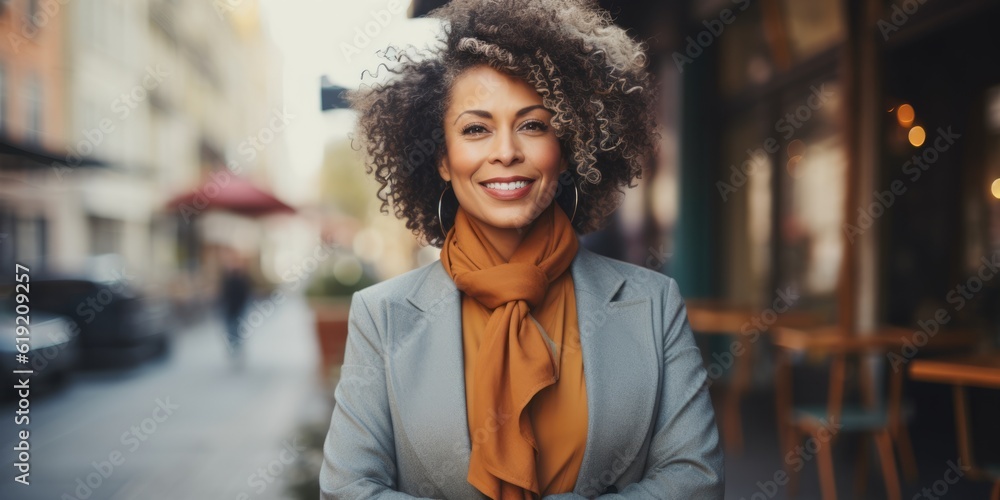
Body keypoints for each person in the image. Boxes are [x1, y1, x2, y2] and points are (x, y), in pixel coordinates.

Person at [320, 0, 724, 498]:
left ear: (569, 146)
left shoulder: (655, 303)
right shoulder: (381, 316)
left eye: (533, 124)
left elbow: (696, 480)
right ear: (442, 159)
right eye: (475, 129)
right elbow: (348, 488)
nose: (506, 151)